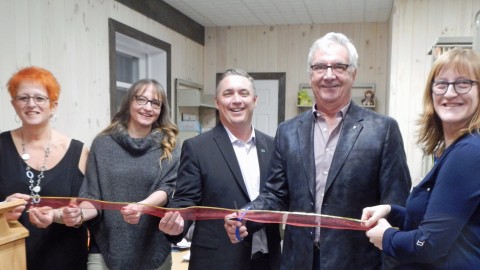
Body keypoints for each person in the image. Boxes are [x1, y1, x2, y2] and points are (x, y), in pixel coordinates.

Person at [224, 32, 412, 270]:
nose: (329, 75)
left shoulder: (382, 130)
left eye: (339, 67)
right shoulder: (288, 131)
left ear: (353, 74)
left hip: (358, 263)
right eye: (320, 67)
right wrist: (246, 216)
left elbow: (398, 205)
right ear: (311, 74)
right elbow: (275, 195)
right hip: (297, 261)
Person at [362, 48, 480, 269]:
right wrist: (391, 211)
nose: (450, 93)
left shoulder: (468, 152)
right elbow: (444, 217)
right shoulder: (452, 151)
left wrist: (387, 237)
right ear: (431, 92)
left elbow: (429, 244)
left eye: (463, 83)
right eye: (441, 83)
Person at [158, 69, 281, 270]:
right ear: (217, 102)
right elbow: (185, 201)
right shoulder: (197, 148)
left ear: (255, 100)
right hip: (218, 261)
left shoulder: (274, 145)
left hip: (267, 261)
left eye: (243, 93)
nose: (236, 100)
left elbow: (277, 197)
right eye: (228, 93)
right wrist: (176, 223)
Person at [62, 79, 180, 270]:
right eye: (141, 100)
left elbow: (166, 188)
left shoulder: (169, 145)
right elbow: (92, 196)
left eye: (155, 103)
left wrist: (142, 207)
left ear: (161, 109)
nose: (148, 107)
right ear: (129, 102)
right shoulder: (102, 144)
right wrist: (79, 214)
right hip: (105, 249)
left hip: (152, 250)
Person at [0, 66, 89, 269]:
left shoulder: (80, 151)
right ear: (14, 104)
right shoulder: (1, 147)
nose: (31, 104)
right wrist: (2, 210)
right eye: (23, 98)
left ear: (54, 105)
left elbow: (88, 208)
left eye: (40, 98)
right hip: (10, 260)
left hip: (67, 259)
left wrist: (60, 215)